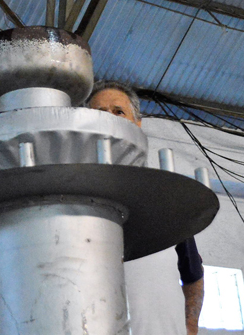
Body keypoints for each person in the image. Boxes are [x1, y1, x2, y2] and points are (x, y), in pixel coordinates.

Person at [86, 80, 205, 335]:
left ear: (137, 125)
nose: (110, 120)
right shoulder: (78, 197)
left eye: (119, 112)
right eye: (99, 113)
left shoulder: (164, 198)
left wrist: (190, 327)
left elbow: (192, 273)